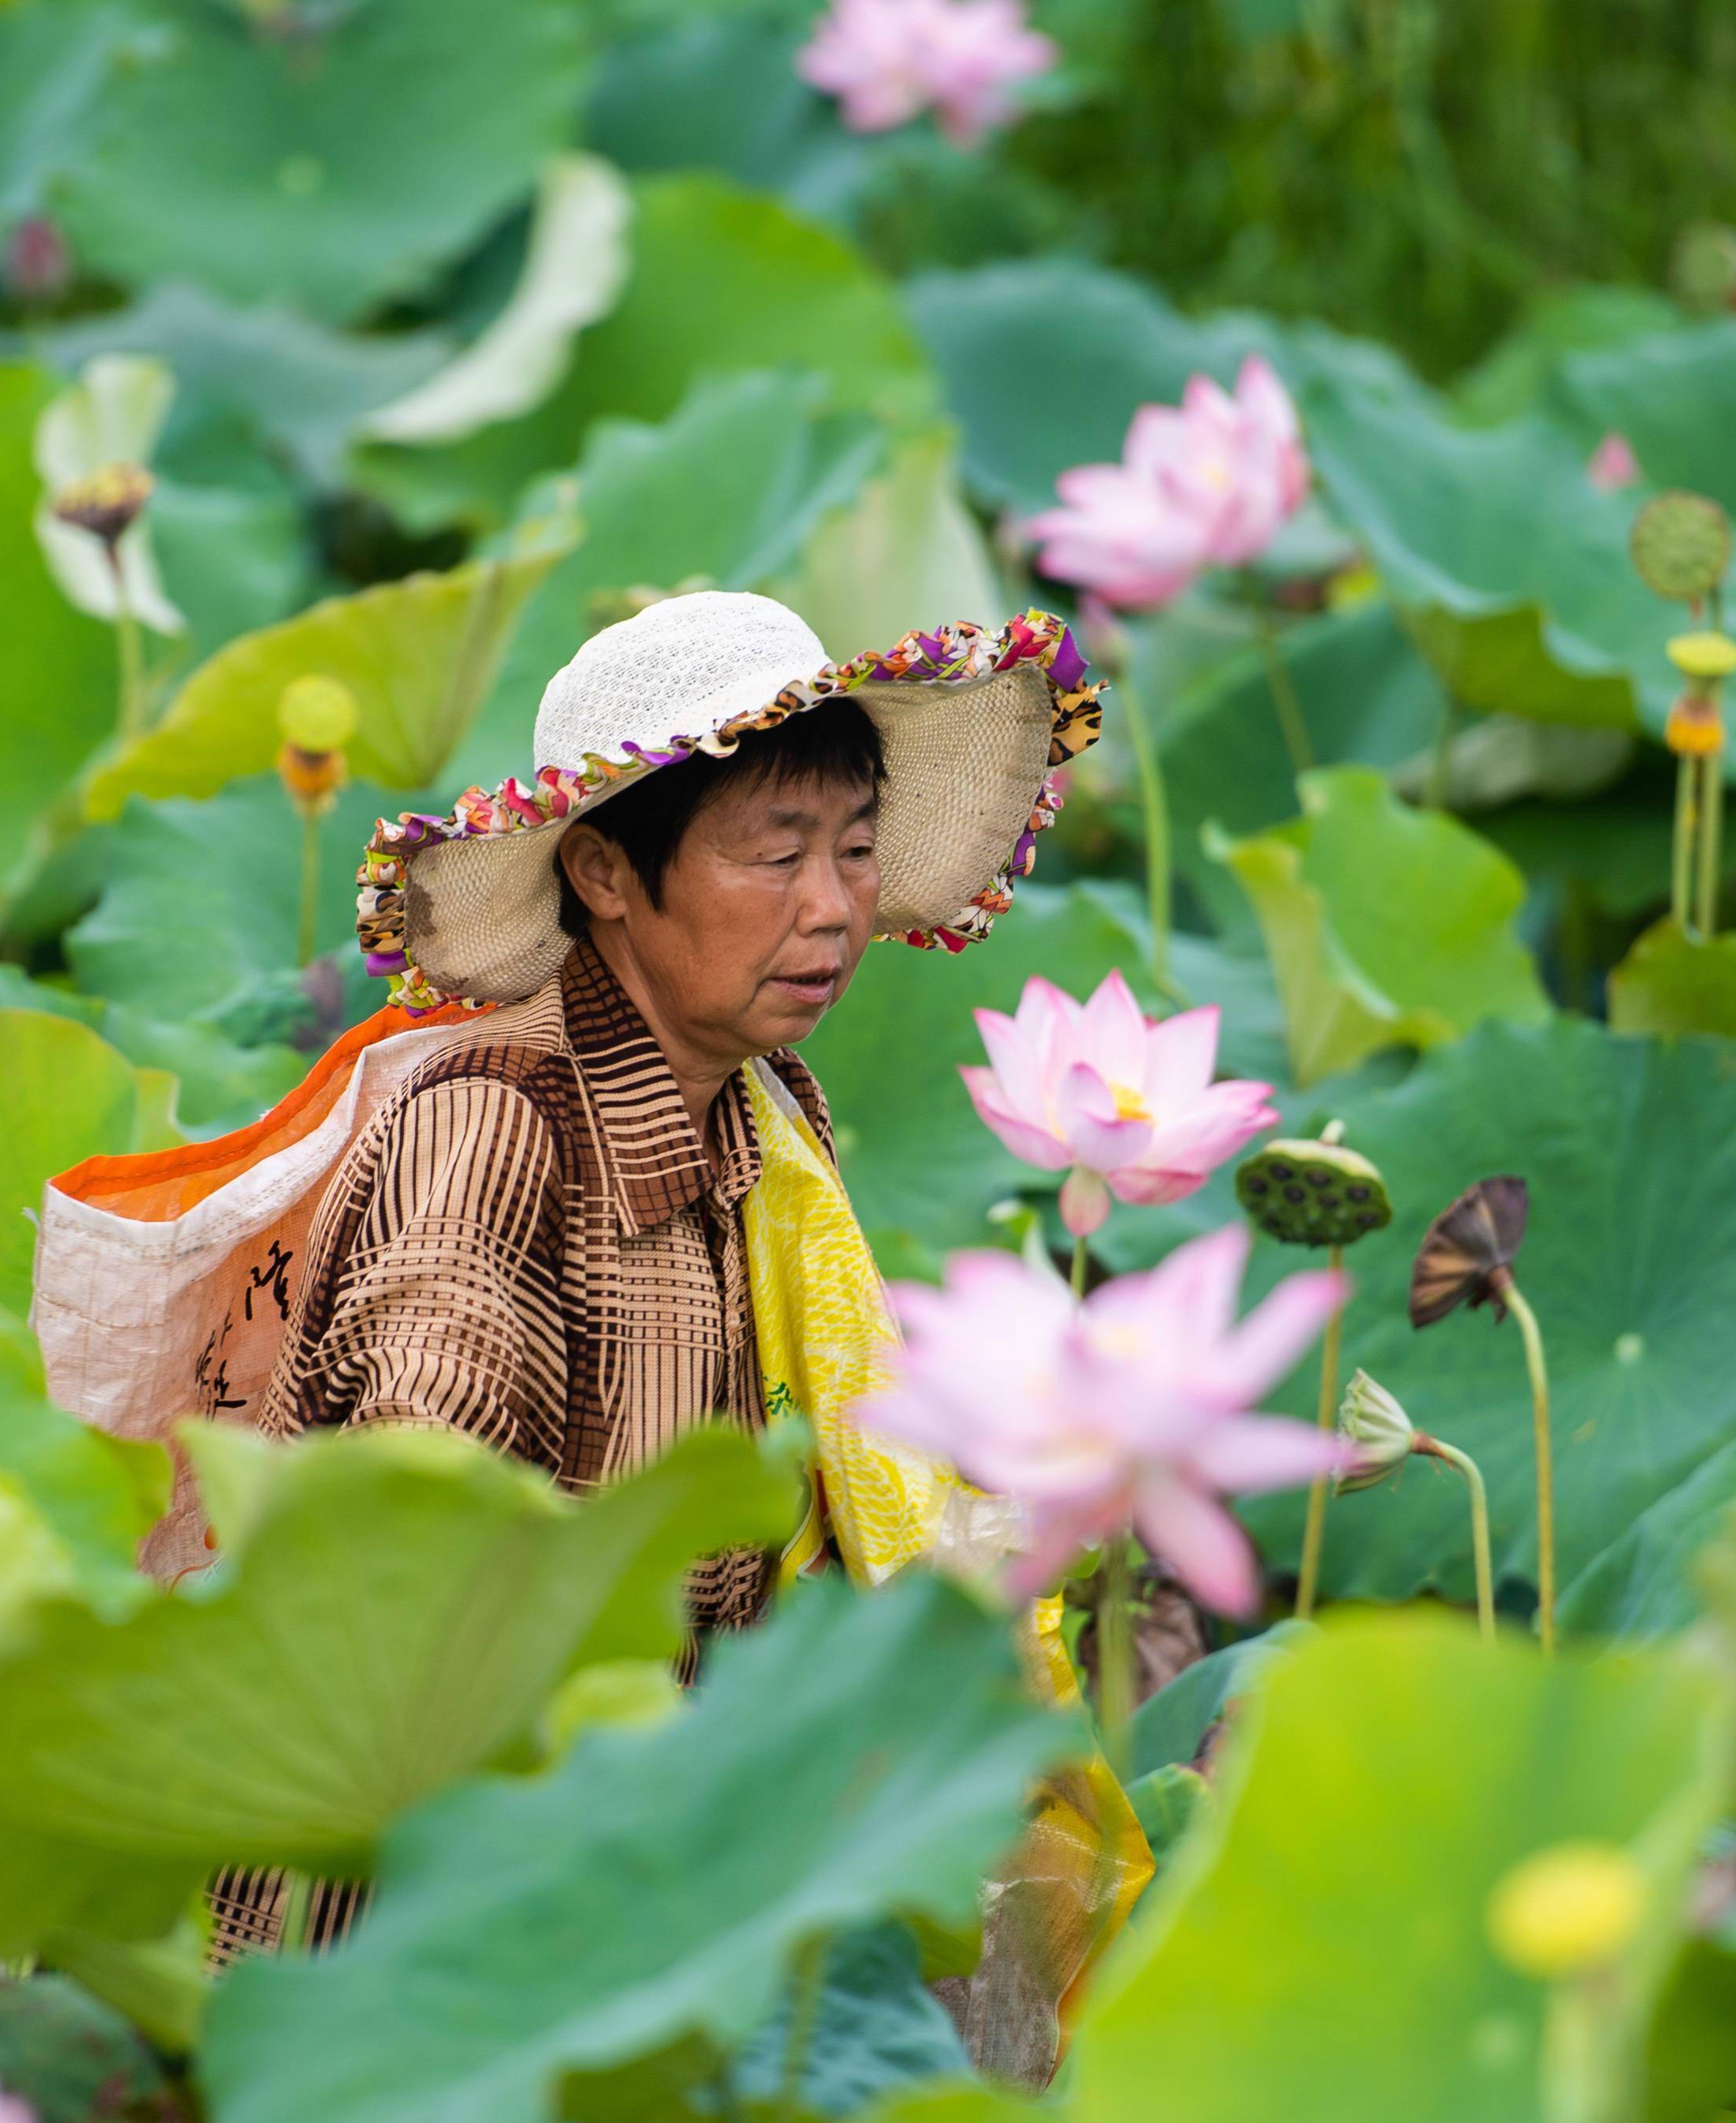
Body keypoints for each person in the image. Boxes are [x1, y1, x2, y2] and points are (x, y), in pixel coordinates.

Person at [249, 590, 1103, 1631]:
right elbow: (413, 1526)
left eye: (855, 849)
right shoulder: (492, 1134)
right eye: (779, 857)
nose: (831, 905)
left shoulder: (764, 1107)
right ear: (602, 872)